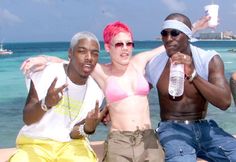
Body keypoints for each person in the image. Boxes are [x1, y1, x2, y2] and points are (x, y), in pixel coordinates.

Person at [20, 16, 211, 162]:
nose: (125, 48)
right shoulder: (100, 71)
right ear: (108, 47)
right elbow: (70, 62)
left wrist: (194, 27)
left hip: (148, 138)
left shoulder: (139, 62)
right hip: (119, 140)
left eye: (129, 43)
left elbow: (168, 45)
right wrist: (44, 59)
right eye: (119, 44)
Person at [145, 13, 236, 162]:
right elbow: (135, 92)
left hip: (204, 127)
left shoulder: (208, 60)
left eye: (174, 33)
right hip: (171, 129)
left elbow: (224, 102)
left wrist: (193, 74)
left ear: (187, 36)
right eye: (164, 33)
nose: (168, 39)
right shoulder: (155, 64)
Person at [9, 31, 107, 162]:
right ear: (70, 54)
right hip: (36, 142)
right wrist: (46, 103)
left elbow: (74, 133)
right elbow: (27, 118)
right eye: (82, 51)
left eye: (94, 53)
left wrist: (88, 127)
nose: (89, 57)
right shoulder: (47, 73)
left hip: (72, 145)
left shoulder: (96, 92)